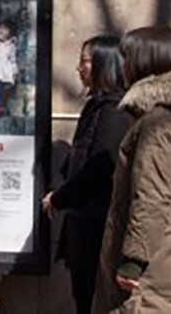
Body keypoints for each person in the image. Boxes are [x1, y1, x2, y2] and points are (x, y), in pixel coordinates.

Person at [92, 26, 171, 313]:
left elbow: (151, 199)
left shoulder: (159, 126)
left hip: (151, 280)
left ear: (144, 62)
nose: (121, 66)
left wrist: (132, 262)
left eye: (126, 58)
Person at [42, 35, 132, 314]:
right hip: (85, 226)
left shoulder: (114, 112)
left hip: (97, 228)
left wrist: (60, 198)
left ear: (105, 64)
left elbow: (98, 169)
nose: (79, 69)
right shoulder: (97, 107)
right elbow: (77, 162)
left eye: (85, 61)